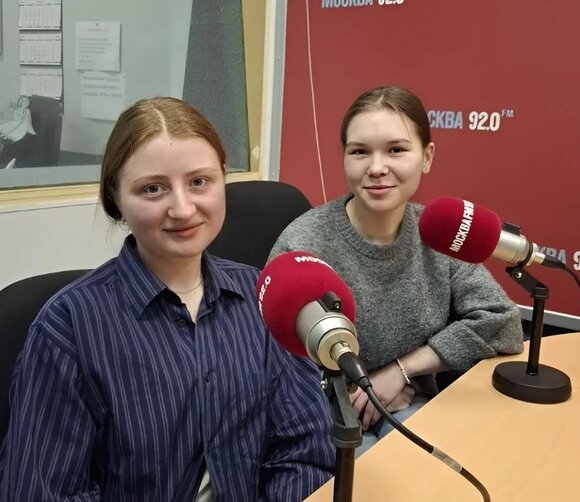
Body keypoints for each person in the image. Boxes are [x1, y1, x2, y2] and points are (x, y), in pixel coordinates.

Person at [0, 97, 335, 500]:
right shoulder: (67, 328)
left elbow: (304, 451)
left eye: (199, 182)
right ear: (115, 197)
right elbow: (44, 492)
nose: (182, 208)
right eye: (153, 188)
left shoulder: (260, 296)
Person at [268, 86, 524, 453]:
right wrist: (366, 392)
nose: (376, 168)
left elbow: (502, 323)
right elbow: (274, 363)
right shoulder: (302, 244)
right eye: (360, 151)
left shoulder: (438, 235)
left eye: (396, 150)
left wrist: (401, 371)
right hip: (320, 416)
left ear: (427, 157)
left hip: (407, 401)